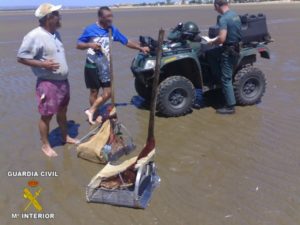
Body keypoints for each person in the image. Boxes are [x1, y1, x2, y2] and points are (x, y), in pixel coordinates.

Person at [17, 3, 78, 157]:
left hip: (63, 81)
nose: (60, 17)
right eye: (57, 14)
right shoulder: (34, 36)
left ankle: (65, 136)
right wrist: (42, 64)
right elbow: (21, 57)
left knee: (63, 112)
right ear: (49, 18)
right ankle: (45, 145)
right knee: (47, 115)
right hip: (47, 83)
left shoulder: (56, 33)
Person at [77, 6, 150, 124]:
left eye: (111, 16)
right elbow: (79, 44)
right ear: (100, 17)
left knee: (108, 93)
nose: (110, 19)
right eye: (107, 17)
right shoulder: (90, 29)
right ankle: (94, 116)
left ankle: (91, 110)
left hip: (106, 66)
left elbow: (126, 41)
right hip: (92, 65)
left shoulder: (112, 30)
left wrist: (140, 48)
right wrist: (90, 45)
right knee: (94, 92)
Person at [207, 0, 242, 114]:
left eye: (214, 7)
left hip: (229, 50)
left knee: (226, 79)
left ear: (217, 6)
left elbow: (221, 39)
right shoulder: (235, 15)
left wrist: (212, 42)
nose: (214, 9)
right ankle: (218, 78)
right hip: (236, 46)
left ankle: (230, 106)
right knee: (210, 54)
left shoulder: (223, 19)